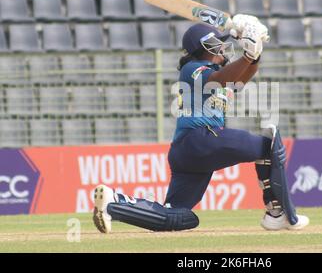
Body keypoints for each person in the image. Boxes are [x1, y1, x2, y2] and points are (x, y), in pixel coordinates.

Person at [92, 15, 309, 233]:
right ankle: (277, 213)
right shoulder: (193, 68)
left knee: (178, 216)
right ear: (207, 46)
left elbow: (241, 79)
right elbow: (219, 80)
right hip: (199, 139)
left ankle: (114, 203)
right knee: (268, 147)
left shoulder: (217, 71)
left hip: (188, 152)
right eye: (219, 43)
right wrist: (247, 54)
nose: (223, 46)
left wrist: (255, 54)